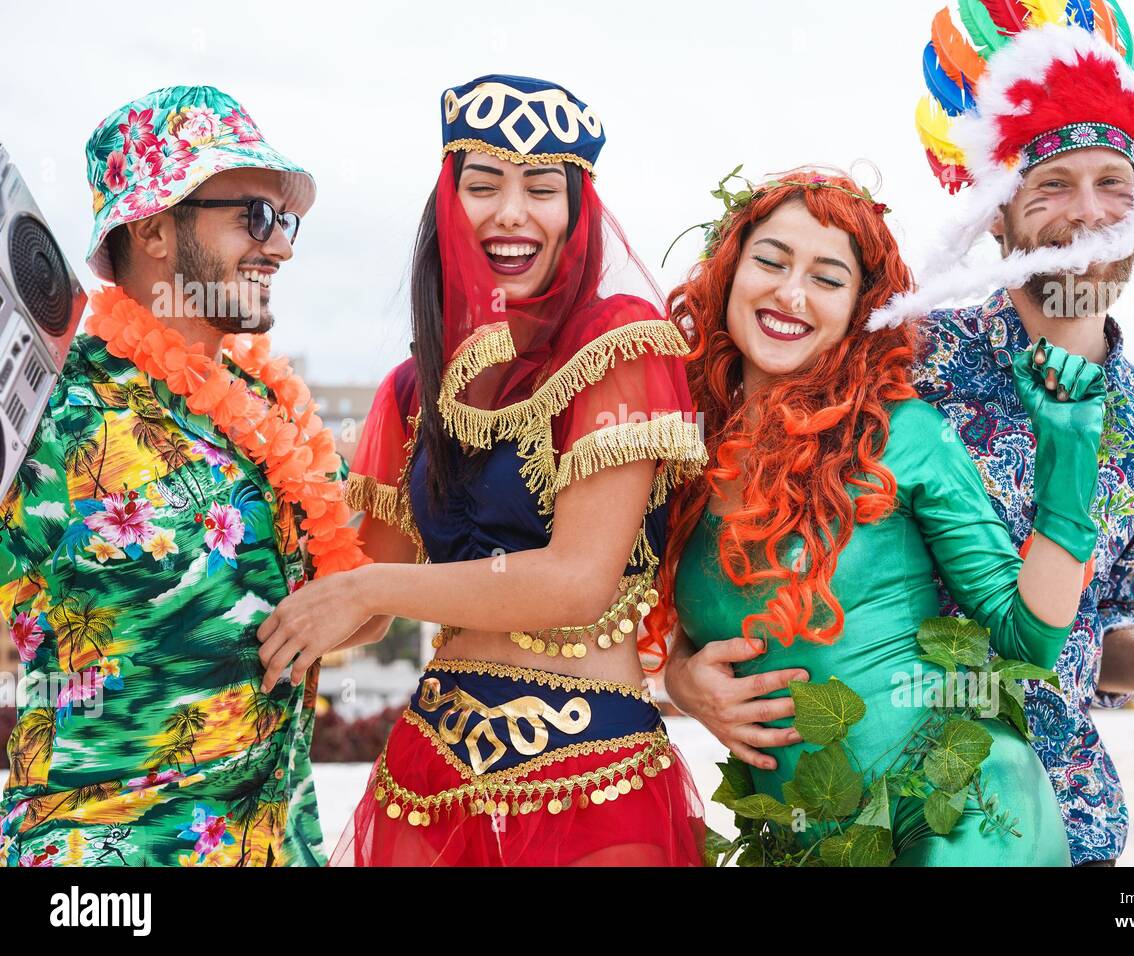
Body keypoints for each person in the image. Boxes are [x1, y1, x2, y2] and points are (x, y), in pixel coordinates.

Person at [667, 1, 1134, 866]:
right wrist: (684, 671)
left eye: (1112, 183)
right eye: (1051, 185)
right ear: (995, 213)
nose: (1087, 212)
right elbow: (734, 516)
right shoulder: (899, 362)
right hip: (851, 813)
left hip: (1054, 813)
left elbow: (1085, 634)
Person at [255, 75, 709, 866]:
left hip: (590, 769)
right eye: (483, 183)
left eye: (541, 187)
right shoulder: (414, 386)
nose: (510, 211)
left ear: (576, 211)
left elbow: (576, 581)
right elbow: (361, 614)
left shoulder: (617, 344)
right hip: (429, 769)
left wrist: (365, 590)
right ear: (447, 202)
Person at [649, 166, 1106, 864]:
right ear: (727, 273)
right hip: (801, 841)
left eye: (828, 279)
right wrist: (680, 675)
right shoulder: (673, 447)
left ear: (863, 310)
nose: (791, 293)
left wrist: (1068, 460)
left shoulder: (905, 434)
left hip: (959, 813)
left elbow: (1026, 641)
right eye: (770, 261)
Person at [0, 85, 362, 867]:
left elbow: (345, 597)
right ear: (157, 228)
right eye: (253, 217)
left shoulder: (275, 408)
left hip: (276, 847)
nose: (283, 247)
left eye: (284, 220)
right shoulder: (54, 415)